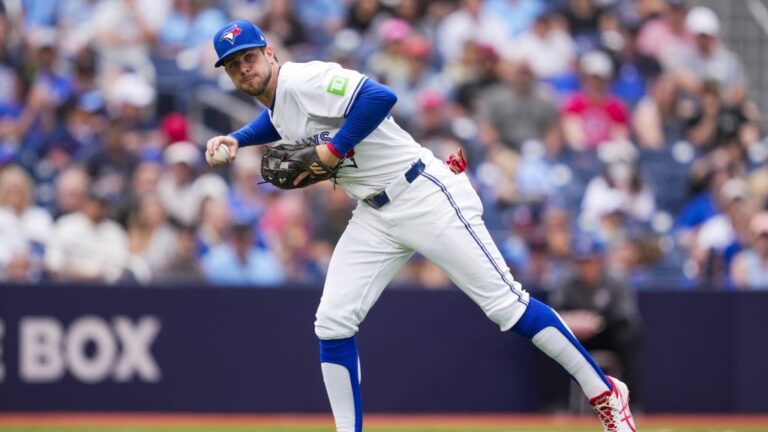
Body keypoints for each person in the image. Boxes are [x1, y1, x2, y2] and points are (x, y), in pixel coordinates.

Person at [205, 20, 635, 432]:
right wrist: (238, 139)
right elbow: (280, 120)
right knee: (332, 323)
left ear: (269, 52)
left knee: (508, 306)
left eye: (249, 56)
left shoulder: (305, 79)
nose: (244, 67)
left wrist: (335, 150)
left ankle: (606, 394)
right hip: (374, 212)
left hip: (422, 192)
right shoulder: (281, 99)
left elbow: (379, 96)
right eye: (233, 63)